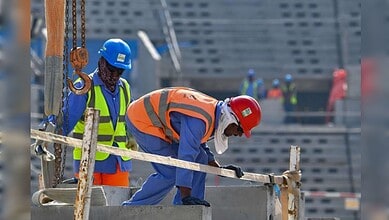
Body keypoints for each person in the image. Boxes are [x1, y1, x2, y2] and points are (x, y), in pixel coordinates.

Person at [122, 87, 262, 206]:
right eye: (240, 130)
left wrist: (217, 168)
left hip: (155, 121)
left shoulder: (213, 113)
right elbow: (186, 155)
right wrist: (185, 194)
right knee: (170, 172)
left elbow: (198, 144)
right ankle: (130, 210)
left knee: (200, 159)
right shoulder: (200, 119)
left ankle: (188, 210)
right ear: (231, 119)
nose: (239, 135)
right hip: (141, 119)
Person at [62, 38, 135, 187]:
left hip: (119, 162)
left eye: (119, 71)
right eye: (111, 68)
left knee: (118, 207)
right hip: (89, 162)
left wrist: (133, 137)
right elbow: (65, 121)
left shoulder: (124, 87)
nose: (115, 74)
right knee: (89, 207)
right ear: (102, 62)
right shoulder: (84, 86)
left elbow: (131, 119)